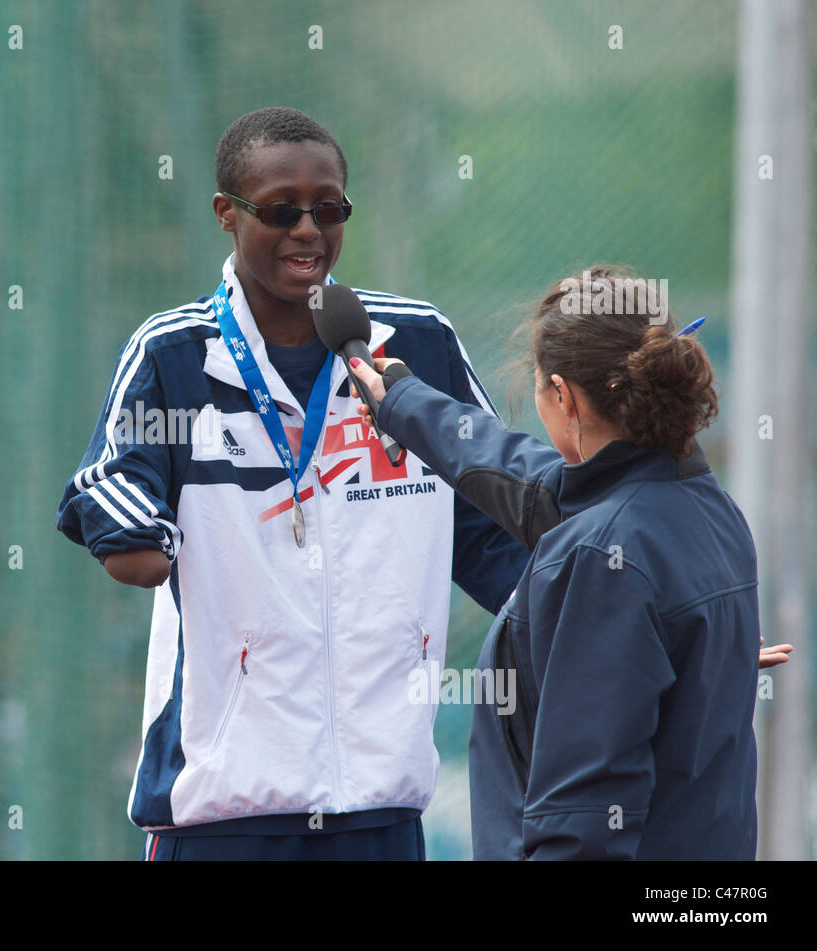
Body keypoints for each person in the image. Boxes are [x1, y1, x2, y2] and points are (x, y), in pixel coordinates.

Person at [56, 106, 530, 860]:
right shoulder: (174, 357)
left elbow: (497, 530)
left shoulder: (416, 346)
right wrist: (134, 529)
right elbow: (111, 480)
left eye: (329, 207)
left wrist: (634, 621)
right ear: (227, 214)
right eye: (280, 210)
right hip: (225, 815)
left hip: (382, 806)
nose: (308, 229)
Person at [348, 266, 792, 859]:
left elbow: (584, 821)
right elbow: (523, 474)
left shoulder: (599, 558)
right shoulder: (706, 509)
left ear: (562, 396)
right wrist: (404, 401)